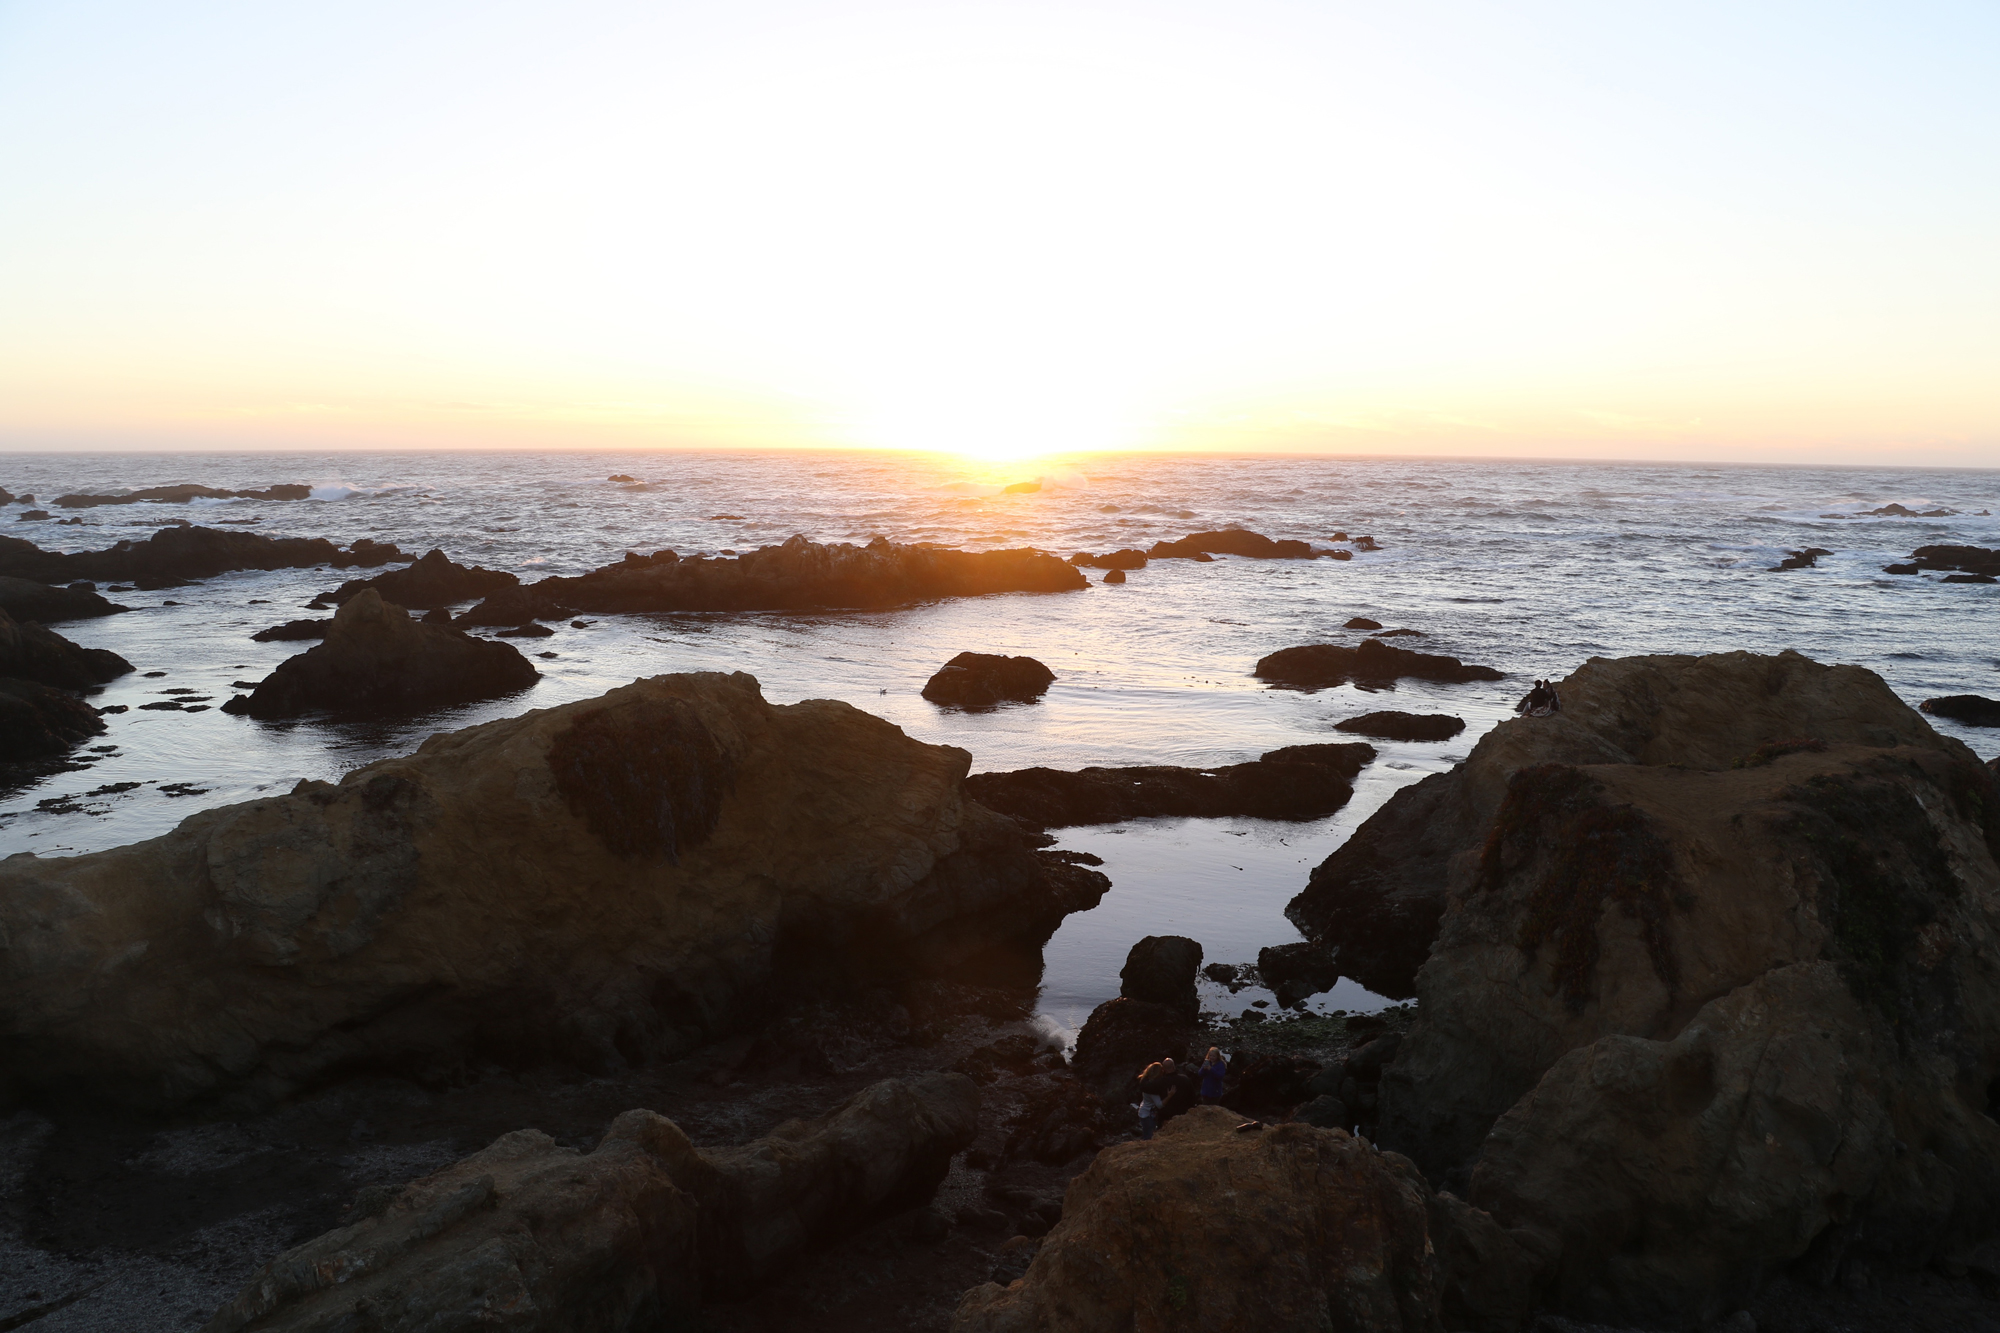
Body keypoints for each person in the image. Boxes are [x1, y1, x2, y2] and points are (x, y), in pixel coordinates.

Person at [1136, 1060, 1171, 1139]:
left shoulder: (1147, 1083)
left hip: (1144, 1111)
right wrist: (1169, 1096)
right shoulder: (1152, 1089)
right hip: (1147, 1114)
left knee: (1147, 1133)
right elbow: (1159, 1105)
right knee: (1149, 1136)